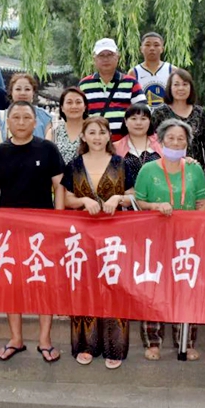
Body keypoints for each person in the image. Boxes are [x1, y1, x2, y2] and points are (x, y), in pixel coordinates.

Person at [0, 101, 66, 364]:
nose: (20, 121)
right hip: (9, 231)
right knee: (12, 285)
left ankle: (44, 340)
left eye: (26, 117)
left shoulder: (48, 149)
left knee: (44, 284)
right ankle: (16, 339)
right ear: (8, 122)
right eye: (15, 117)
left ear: (35, 121)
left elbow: (60, 187)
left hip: (43, 231)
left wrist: (59, 221)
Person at [62, 116, 136, 369]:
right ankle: (86, 345)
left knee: (115, 287)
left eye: (101, 132)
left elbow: (134, 194)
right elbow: (68, 199)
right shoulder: (73, 165)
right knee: (84, 289)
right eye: (91, 132)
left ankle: (115, 348)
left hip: (116, 237)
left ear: (109, 136)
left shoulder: (122, 163)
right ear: (83, 136)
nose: (96, 137)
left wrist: (118, 197)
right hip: (81, 237)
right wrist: (83, 201)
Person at [134, 118, 205, 362]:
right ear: (160, 141)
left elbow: (202, 200)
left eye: (181, 139)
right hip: (154, 239)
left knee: (186, 288)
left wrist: (194, 225)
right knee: (153, 288)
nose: (175, 143)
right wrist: (156, 206)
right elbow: (139, 202)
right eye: (170, 138)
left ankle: (186, 342)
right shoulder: (148, 169)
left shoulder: (195, 169)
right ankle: (153, 341)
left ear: (187, 143)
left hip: (187, 241)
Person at [78, 38, 146, 141]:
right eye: (101, 55)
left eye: (110, 55)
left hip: (125, 144)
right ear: (94, 59)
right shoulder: (84, 85)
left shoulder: (131, 83)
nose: (106, 59)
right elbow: (79, 115)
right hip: (94, 144)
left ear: (117, 56)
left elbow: (143, 111)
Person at [151, 68, 205, 166]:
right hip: (167, 168)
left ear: (191, 87)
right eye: (176, 84)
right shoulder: (159, 113)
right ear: (170, 87)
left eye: (185, 84)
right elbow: (152, 143)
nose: (181, 88)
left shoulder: (200, 113)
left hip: (194, 169)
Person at [0, 73, 53, 151]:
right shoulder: (1, 117)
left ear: (33, 92)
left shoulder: (44, 117)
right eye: (18, 89)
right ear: (11, 92)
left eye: (27, 89)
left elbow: (49, 147)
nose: (22, 93)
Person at [113, 103, 162, 179]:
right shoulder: (115, 148)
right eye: (133, 119)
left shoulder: (162, 142)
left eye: (143, 119)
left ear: (150, 121)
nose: (138, 123)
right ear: (125, 121)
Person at [131, 32, 172, 109]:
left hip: (168, 118)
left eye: (156, 45)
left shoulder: (172, 70)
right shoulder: (134, 72)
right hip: (143, 118)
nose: (152, 48)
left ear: (162, 49)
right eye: (147, 45)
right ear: (141, 49)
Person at [48, 87, 87, 165]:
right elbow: (47, 159)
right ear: (62, 108)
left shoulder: (93, 129)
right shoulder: (54, 132)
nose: (74, 106)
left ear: (85, 107)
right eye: (69, 102)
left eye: (78, 102)